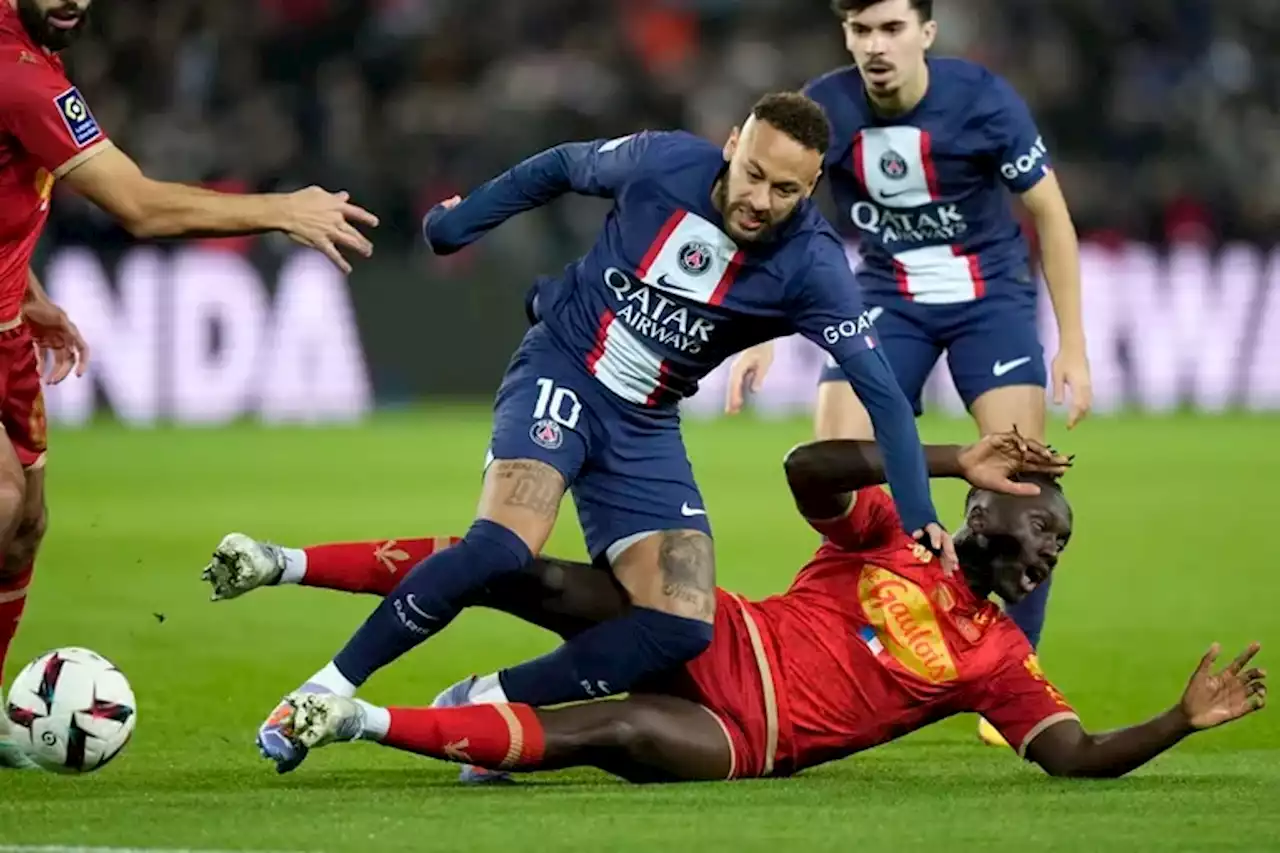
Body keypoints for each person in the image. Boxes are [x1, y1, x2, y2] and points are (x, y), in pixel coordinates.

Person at [245, 91, 968, 774]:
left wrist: (920, 515)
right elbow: (561, 164)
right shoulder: (662, 162)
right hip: (564, 366)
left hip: (645, 424)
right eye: (753, 174)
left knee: (682, 624)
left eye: (787, 191)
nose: (761, 200)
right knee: (501, 544)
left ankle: (488, 699)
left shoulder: (812, 266)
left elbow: (879, 391)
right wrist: (455, 227)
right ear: (731, 146)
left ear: (810, 190)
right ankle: (323, 687)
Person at [203, 435, 1266, 782]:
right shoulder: (897, 532)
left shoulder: (995, 663)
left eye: (1060, 544)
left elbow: (1070, 752)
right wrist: (935, 457)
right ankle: (286, 559)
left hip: (741, 734)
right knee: (523, 571)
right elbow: (807, 468)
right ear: (980, 506)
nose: (1049, 549)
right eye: (1042, 526)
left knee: (609, 728)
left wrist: (1175, 721)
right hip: (706, 626)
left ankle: (357, 720)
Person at [0, 0, 378, 769]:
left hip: (6, 330)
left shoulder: (33, 58)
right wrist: (282, 209)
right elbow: (137, 205)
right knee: (1, 500)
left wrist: (26, 288)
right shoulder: (19, 76)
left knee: (25, 524)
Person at [723, 0, 1092, 746]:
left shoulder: (985, 101)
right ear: (846, 36)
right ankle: (849, 626)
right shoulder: (824, 107)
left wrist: (1073, 343)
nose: (875, 46)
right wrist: (756, 331)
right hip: (887, 297)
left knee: (1023, 475)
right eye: (861, 31)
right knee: (835, 456)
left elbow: (1049, 213)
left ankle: (1015, 661)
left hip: (989, 297)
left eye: (891, 29)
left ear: (927, 31)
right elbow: (776, 211)